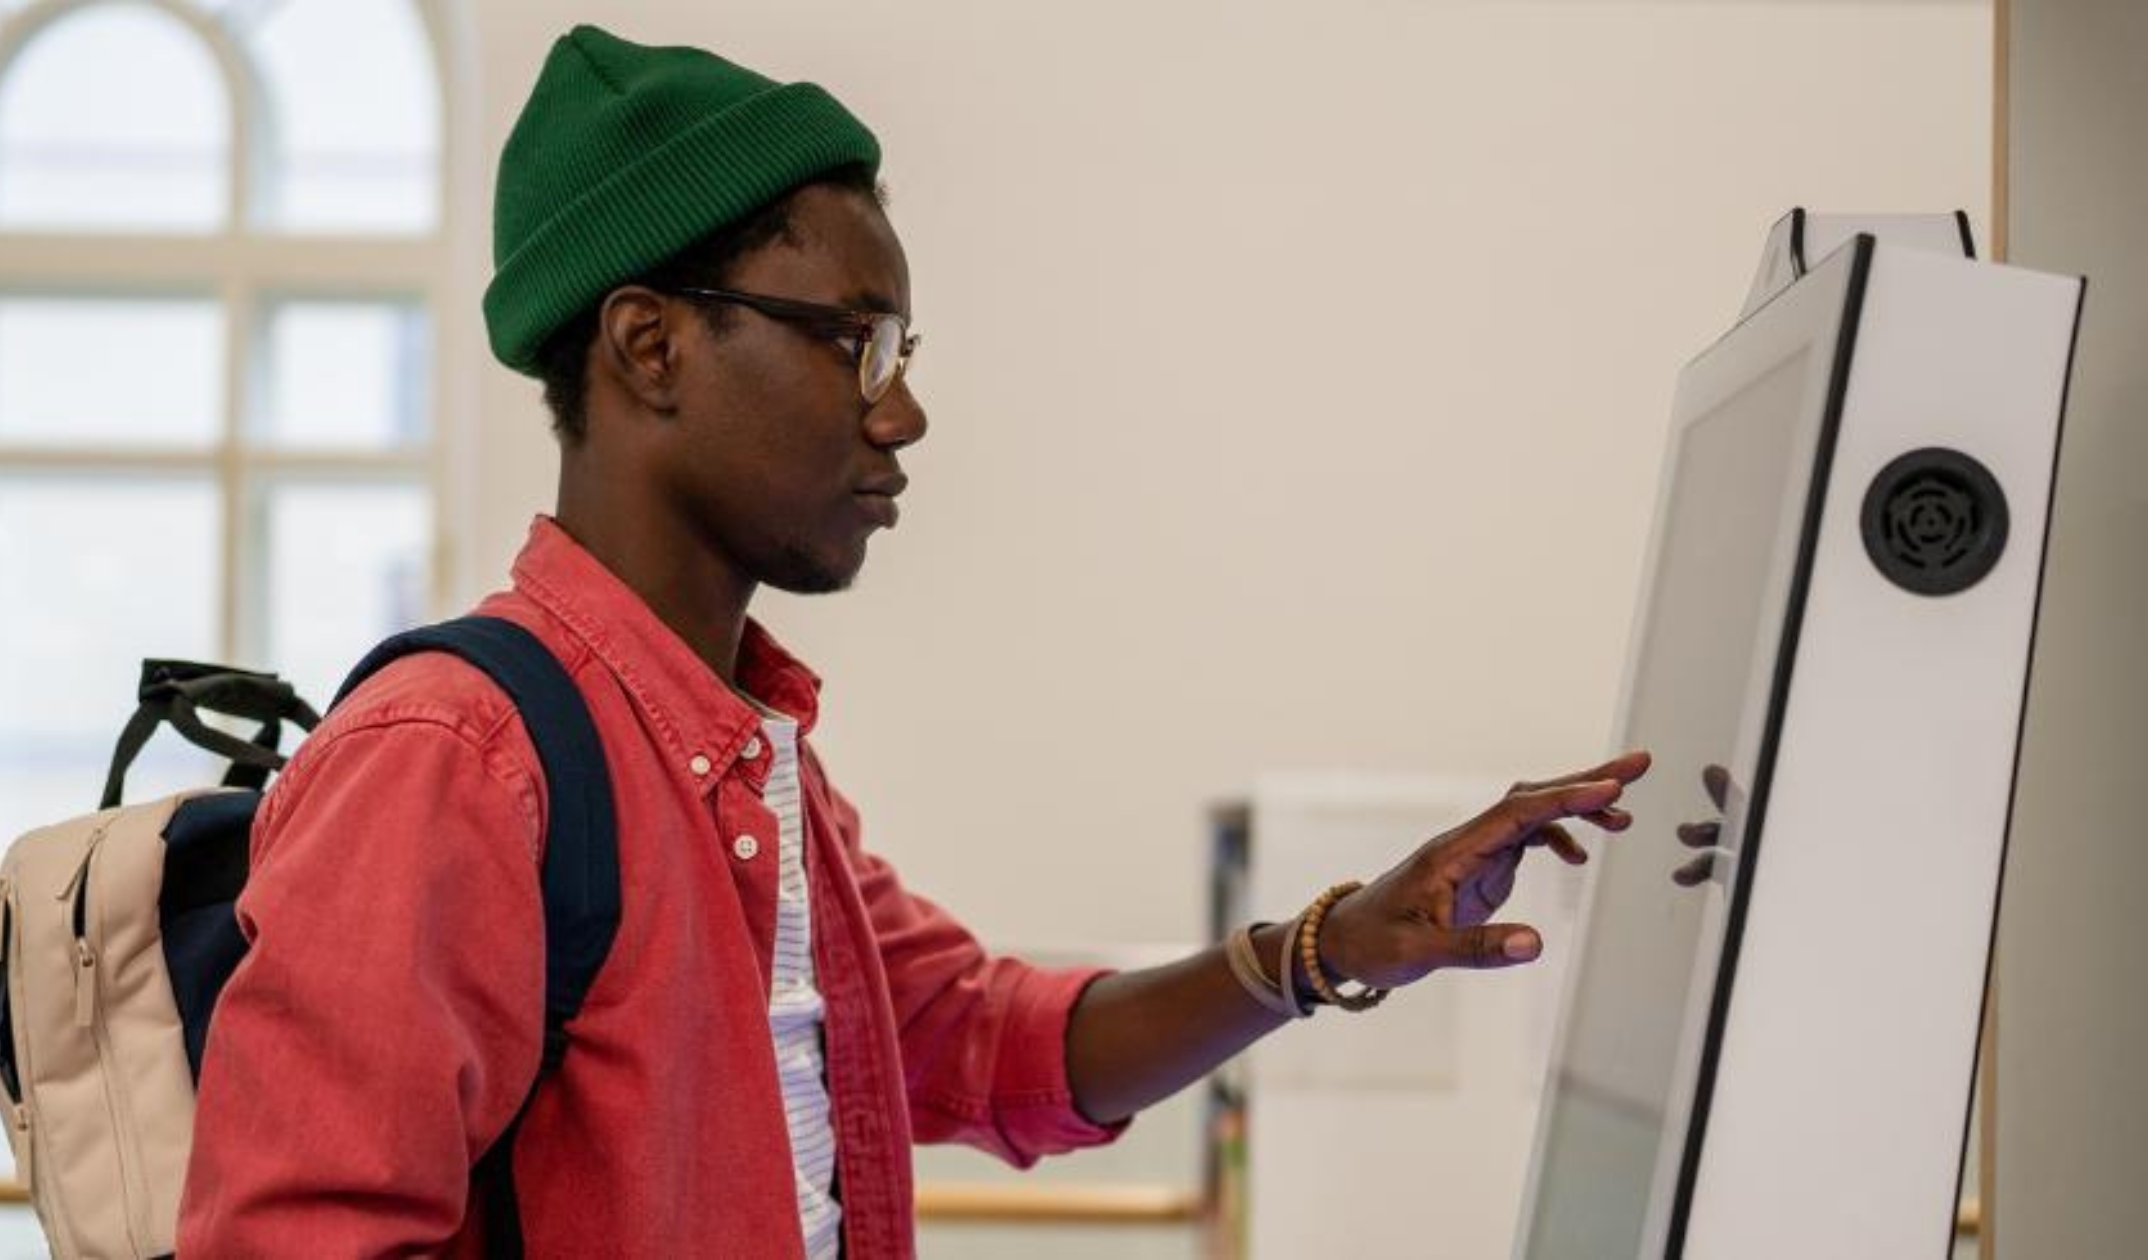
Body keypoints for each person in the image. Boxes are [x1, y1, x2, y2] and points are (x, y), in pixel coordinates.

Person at [178, 27, 1649, 1258]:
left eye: (905, 357)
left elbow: (987, 1040)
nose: (901, 415)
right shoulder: (456, 762)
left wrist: (1327, 947)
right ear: (650, 347)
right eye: (856, 343)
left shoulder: (748, 764)